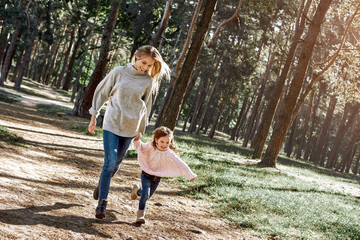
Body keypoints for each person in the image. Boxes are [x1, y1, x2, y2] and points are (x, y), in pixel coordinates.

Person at [88, 45, 170, 219]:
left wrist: (141, 129)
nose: (145, 67)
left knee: (116, 164)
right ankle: (102, 202)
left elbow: (146, 107)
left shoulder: (147, 81)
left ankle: (102, 184)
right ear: (136, 57)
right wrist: (94, 114)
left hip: (130, 128)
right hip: (111, 123)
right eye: (144, 62)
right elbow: (102, 92)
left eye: (149, 65)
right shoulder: (118, 72)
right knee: (110, 162)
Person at [130, 126, 197, 224]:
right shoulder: (150, 146)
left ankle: (137, 191)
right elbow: (140, 147)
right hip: (146, 174)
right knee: (145, 194)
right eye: (162, 142)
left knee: (147, 195)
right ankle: (140, 215)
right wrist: (136, 141)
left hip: (157, 177)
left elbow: (180, 163)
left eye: (167, 142)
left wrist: (190, 174)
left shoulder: (169, 153)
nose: (165, 145)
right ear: (156, 139)